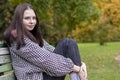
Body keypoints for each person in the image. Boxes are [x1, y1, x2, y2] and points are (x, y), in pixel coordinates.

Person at [4, 3, 87, 80]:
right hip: (36, 77)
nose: (32, 21)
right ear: (18, 20)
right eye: (27, 18)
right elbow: (46, 59)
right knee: (67, 43)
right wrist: (77, 68)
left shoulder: (30, 35)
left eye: (34, 18)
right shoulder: (17, 38)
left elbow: (49, 48)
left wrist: (78, 62)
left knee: (68, 43)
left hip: (44, 74)